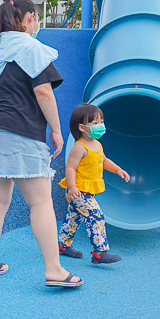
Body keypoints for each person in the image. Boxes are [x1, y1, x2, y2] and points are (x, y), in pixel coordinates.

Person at [0, 0, 81, 288]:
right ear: (29, 17)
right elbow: (43, 92)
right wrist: (56, 129)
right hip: (14, 131)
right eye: (37, 17)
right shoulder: (29, 47)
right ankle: (54, 270)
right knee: (40, 200)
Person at [57, 104, 129, 264]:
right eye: (95, 123)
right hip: (79, 191)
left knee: (73, 218)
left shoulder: (97, 144)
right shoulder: (79, 147)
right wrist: (72, 187)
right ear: (82, 127)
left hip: (89, 190)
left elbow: (104, 160)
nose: (100, 126)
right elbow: (70, 167)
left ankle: (62, 245)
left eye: (101, 121)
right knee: (96, 216)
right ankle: (100, 252)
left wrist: (118, 169)